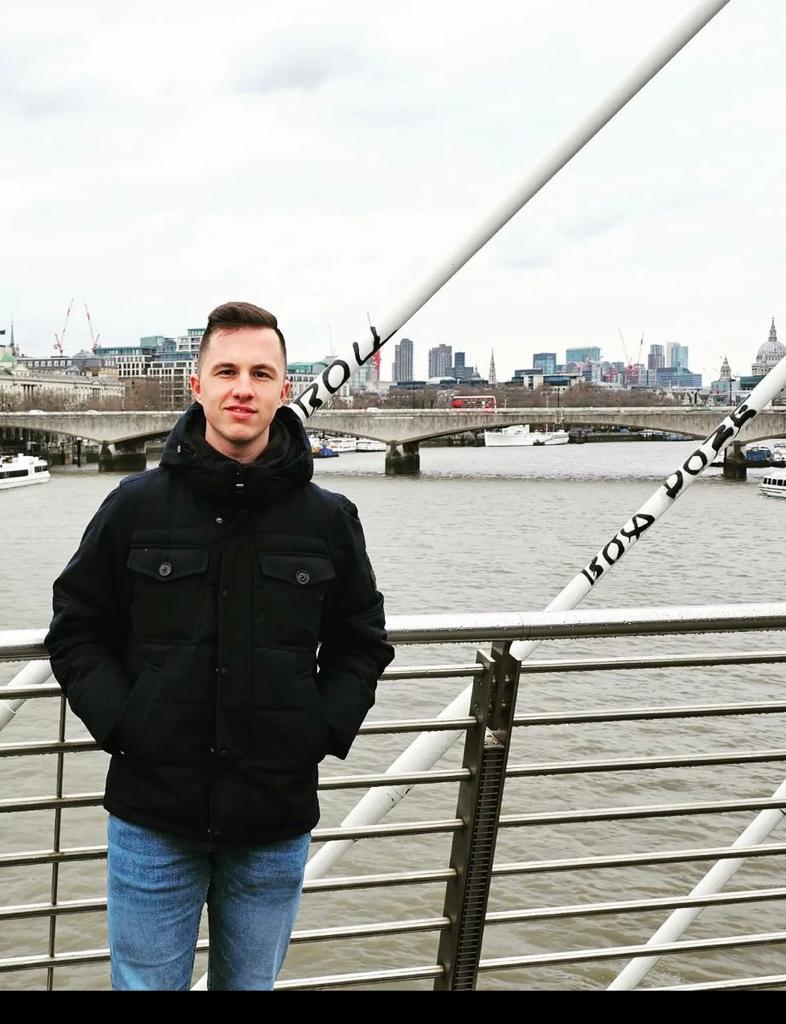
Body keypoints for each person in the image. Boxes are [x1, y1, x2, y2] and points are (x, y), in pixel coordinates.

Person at [45, 301, 394, 990]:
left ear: (283, 390)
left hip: (273, 815)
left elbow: (361, 640)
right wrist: (123, 723)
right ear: (197, 385)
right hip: (154, 815)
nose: (244, 387)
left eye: (261, 372)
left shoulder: (328, 519)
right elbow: (77, 626)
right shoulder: (135, 505)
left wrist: (318, 730)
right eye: (226, 370)